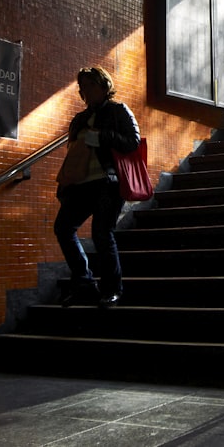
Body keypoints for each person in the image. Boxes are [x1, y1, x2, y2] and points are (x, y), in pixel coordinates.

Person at [53, 66, 140, 308]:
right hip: (80, 184)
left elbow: (132, 142)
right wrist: (65, 186)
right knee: (63, 227)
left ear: (103, 86)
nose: (85, 91)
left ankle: (112, 290)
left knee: (102, 234)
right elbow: (72, 154)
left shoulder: (118, 111)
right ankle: (84, 284)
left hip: (106, 182)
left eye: (89, 85)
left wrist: (103, 137)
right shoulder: (79, 119)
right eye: (82, 88)